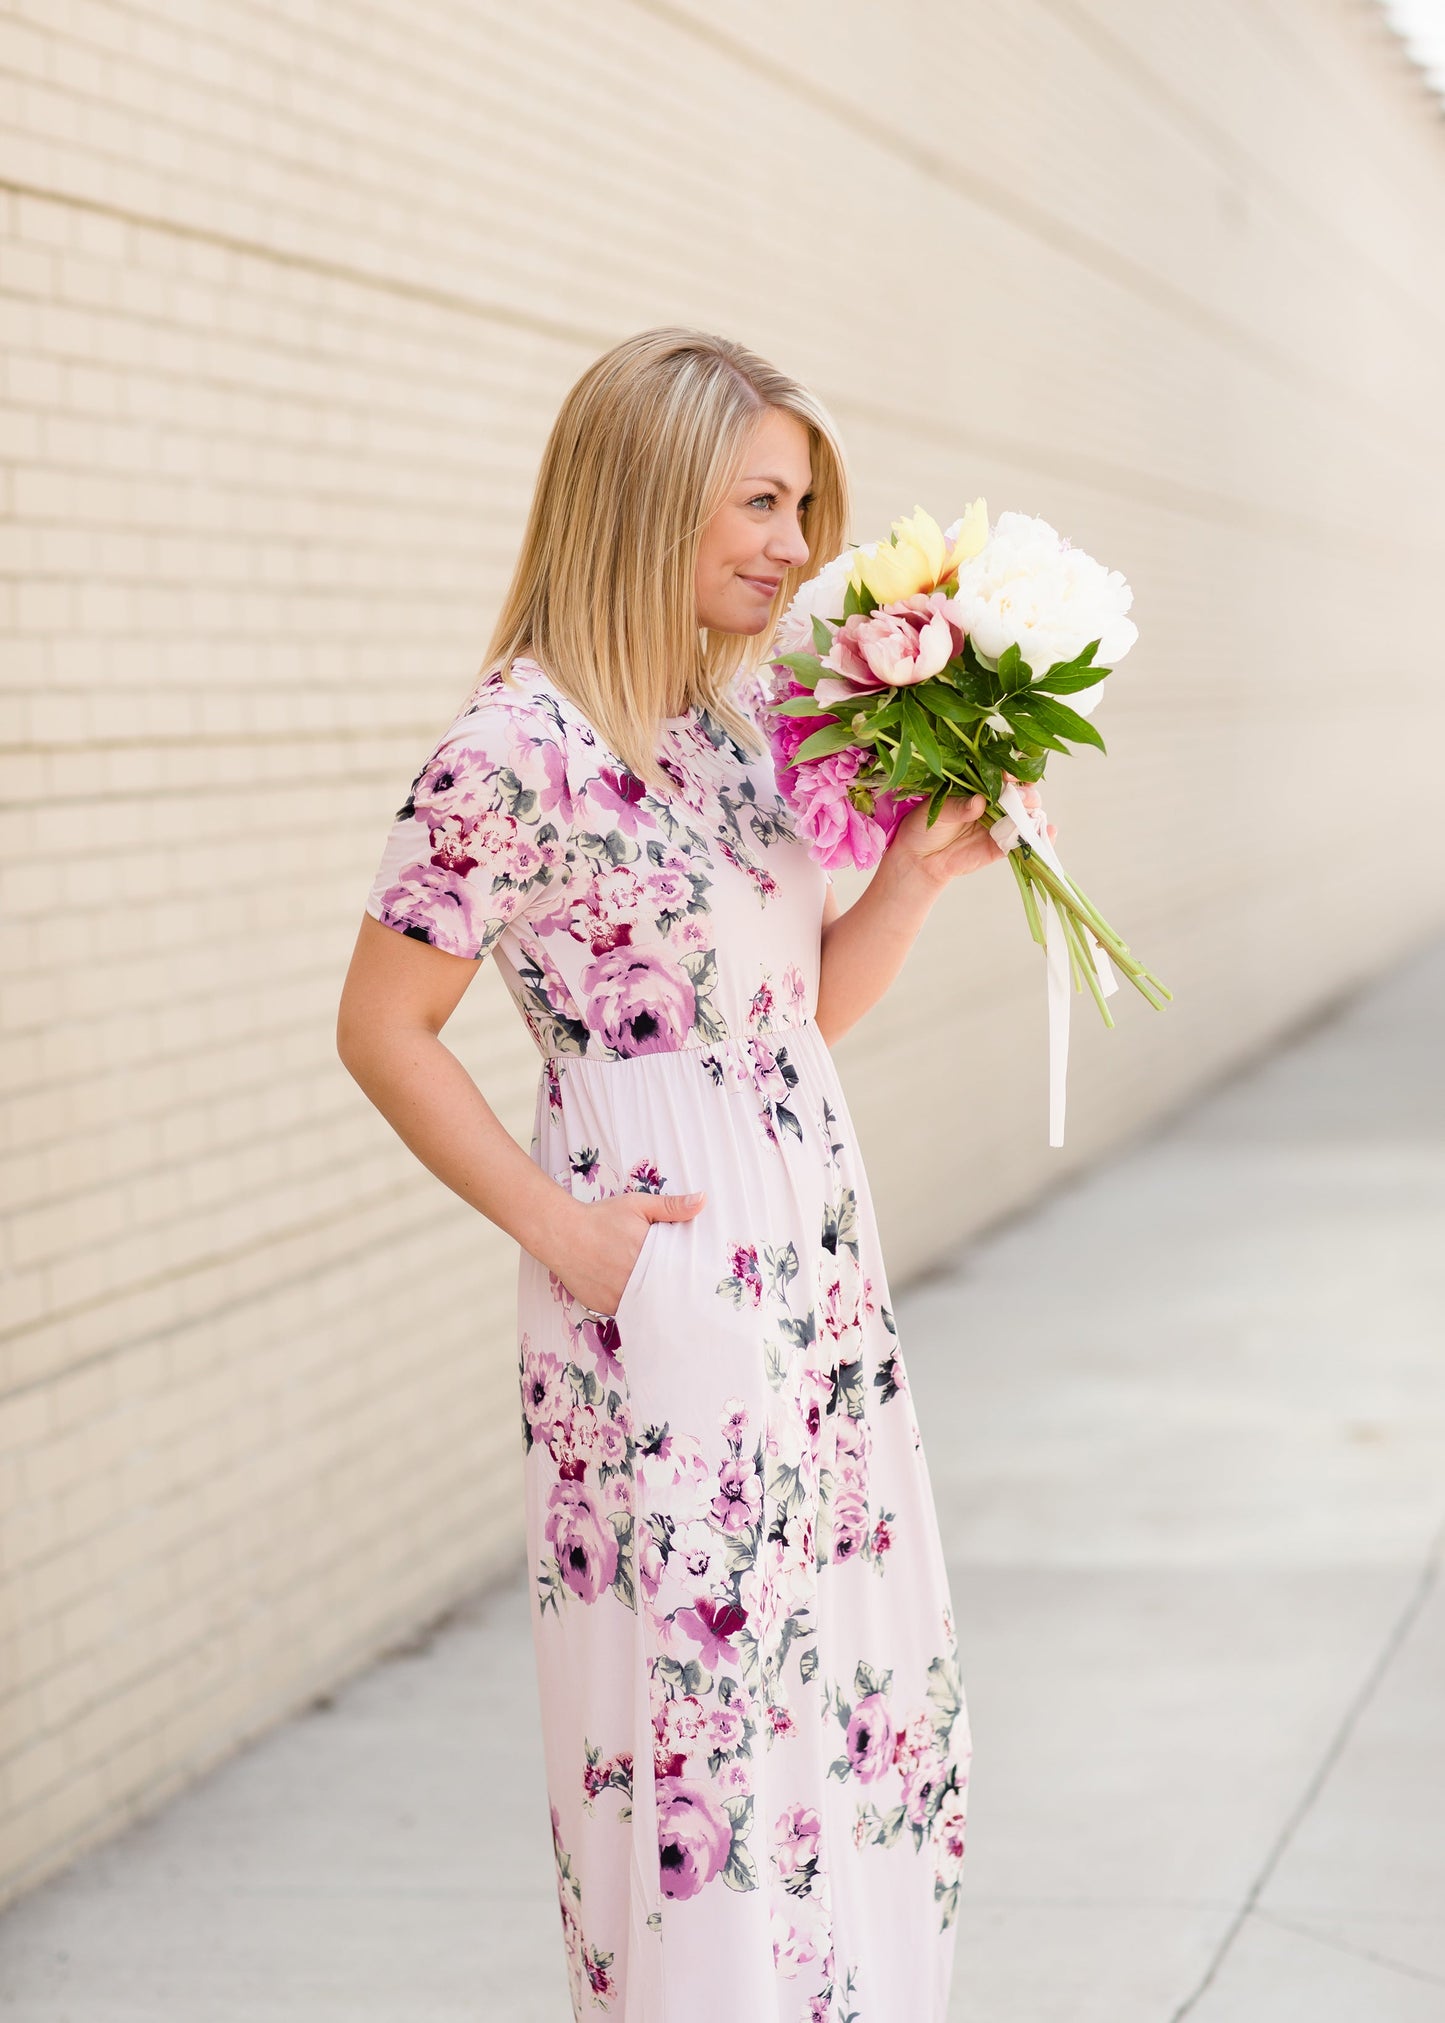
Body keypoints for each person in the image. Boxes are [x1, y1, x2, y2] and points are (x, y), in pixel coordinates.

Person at [336, 327, 1044, 2022]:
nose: (794, 548)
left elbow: (794, 1016)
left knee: (846, 1690)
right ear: (645, 496)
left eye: (803, 508)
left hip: (808, 1264)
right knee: (704, 1731)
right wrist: (567, 1233)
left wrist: (919, 879)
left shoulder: (729, 738)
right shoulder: (511, 749)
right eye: (760, 503)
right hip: (650, 1271)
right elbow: (383, 1026)